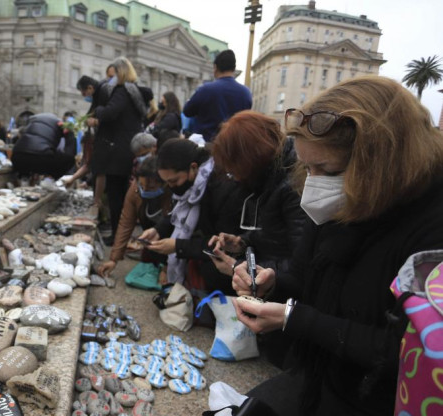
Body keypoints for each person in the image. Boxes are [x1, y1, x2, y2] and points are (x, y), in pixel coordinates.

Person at [232, 76, 443, 415]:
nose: (313, 183)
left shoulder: (431, 228)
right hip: (318, 380)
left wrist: (296, 319)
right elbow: (305, 277)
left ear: (379, 165)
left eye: (326, 169)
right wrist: (272, 283)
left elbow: (406, 350)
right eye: (307, 167)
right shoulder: (341, 202)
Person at [207, 110, 307, 288]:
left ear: (250, 159)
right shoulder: (268, 179)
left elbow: (301, 265)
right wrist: (243, 242)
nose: (235, 178)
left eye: (234, 169)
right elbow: (273, 233)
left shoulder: (292, 187)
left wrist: (238, 268)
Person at [139, 139, 246, 287]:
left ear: (193, 168)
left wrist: (178, 246)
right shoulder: (193, 187)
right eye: (167, 183)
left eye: (174, 181)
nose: (172, 187)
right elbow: (178, 211)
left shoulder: (221, 188)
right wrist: (158, 230)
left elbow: (222, 243)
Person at [87, 57, 151, 243]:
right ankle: (122, 235)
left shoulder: (122, 91)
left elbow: (110, 112)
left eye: (111, 76)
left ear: (120, 73)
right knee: (124, 196)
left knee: (116, 196)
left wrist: (98, 110)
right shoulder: (135, 92)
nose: (108, 80)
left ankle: (117, 237)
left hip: (117, 150)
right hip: (128, 148)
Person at [98, 156, 172, 276]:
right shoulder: (135, 191)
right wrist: (113, 259)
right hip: (150, 237)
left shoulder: (173, 192)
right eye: (142, 186)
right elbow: (126, 223)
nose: (145, 190)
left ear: (164, 183)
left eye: (151, 188)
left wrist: (169, 265)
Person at [182, 50, 252, 142]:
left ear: (215, 67)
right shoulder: (246, 93)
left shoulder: (206, 89)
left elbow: (187, 111)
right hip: (232, 147)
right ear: (233, 68)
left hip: (206, 146)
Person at [11, 113, 76, 179]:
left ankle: (24, 179)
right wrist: (70, 133)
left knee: (29, 161)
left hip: (17, 157)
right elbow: (69, 155)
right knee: (69, 158)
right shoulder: (58, 125)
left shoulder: (32, 123)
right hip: (42, 158)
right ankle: (50, 180)